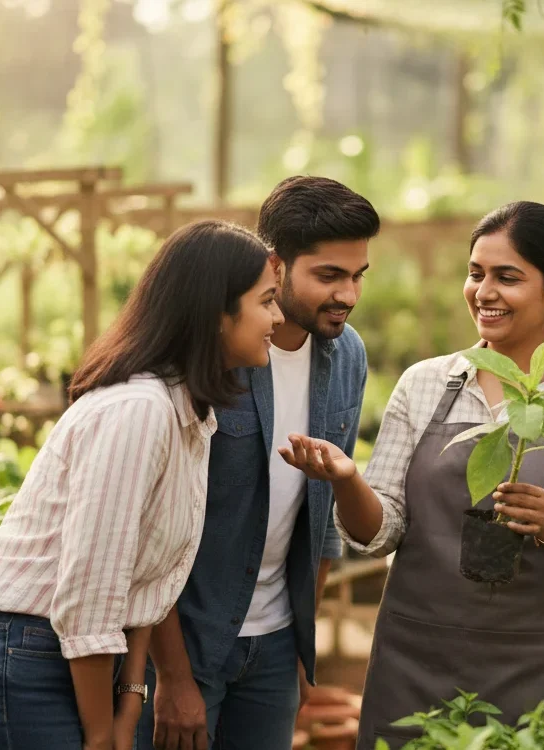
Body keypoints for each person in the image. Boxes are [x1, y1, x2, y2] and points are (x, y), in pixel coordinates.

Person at [281, 201, 544, 749]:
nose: (484, 291)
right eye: (476, 274)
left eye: (508, 277)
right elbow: (380, 530)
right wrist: (346, 480)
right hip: (418, 666)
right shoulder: (424, 385)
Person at [0, 220, 284, 750]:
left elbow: (149, 578)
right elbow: (90, 589)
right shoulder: (138, 412)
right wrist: (102, 735)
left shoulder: (191, 415)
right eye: (267, 301)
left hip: (69, 656)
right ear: (217, 313)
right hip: (22, 656)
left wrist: (130, 697)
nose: (277, 318)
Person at [137, 176, 380, 750]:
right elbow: (151, 530)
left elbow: (321, 525)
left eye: (357, 276)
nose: (347, 294)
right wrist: (171, 674)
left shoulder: (347, 355)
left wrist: (300, 647)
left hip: (275, 645)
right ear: (275, 265)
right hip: (188, 634)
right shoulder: (217, 352)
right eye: (328, 276)